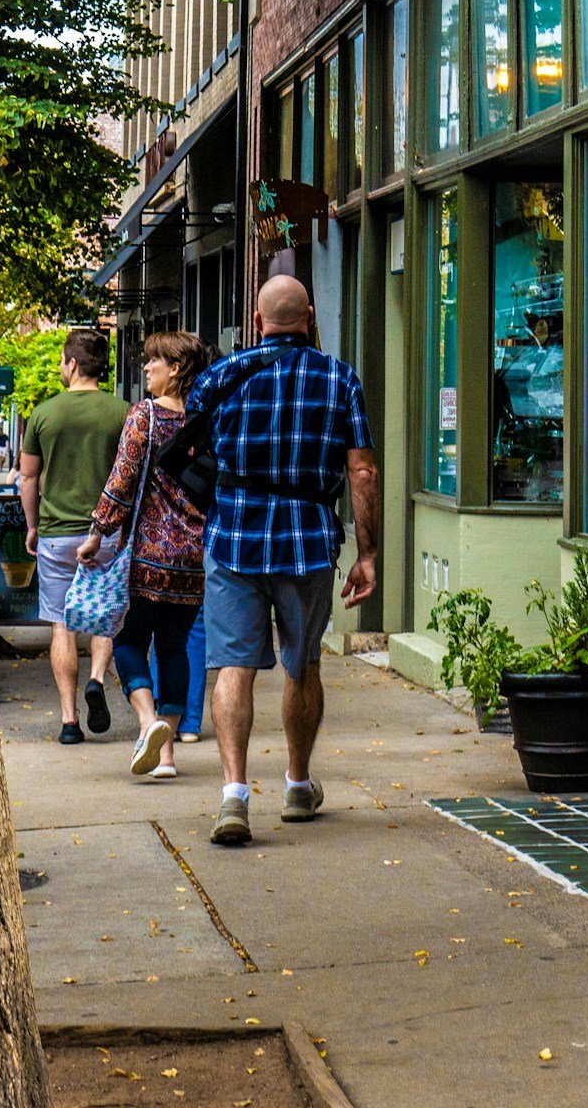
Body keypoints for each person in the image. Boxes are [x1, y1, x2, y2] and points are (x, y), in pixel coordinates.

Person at [180, 273, 377, 846]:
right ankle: (296, 784)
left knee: (232, 668)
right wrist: (367, 554)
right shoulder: (340, 379)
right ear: (310, 317)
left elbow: (194, 454)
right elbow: (361, 470)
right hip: (307, 540)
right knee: (302, 662)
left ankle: (234, 796)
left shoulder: (219, 378)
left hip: (234, 539)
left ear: (258, 322)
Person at [79, 330, 209, 780]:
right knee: (175, 648)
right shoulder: (205, 420)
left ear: (175, 368)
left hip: (148, 559)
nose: (147, 367)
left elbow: (122, 480)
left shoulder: (145, 417)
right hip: (194, 560)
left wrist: (97, 532)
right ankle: (166, 757)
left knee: (128, 642)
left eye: (154, 361)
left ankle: (147, 721)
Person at [21, 326, 127, 744]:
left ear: (72, 363)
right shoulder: (122, 413)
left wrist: (32, 526)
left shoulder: (45, 414)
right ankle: (97, 679)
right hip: (106, 534)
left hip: (55, 535)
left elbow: (28, 478)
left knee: (62, 626)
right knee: (104, 616)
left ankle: (69, 722)